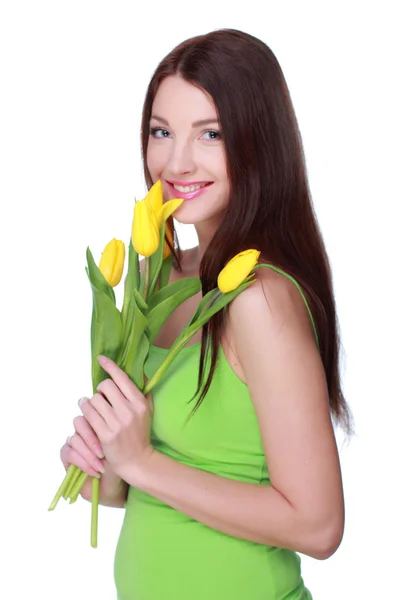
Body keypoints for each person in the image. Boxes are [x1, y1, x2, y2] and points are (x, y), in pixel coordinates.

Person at [60, 28, 353, 600]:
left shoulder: (258, 297)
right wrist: (105, 460)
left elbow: (319, 527)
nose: (176, 160)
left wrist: (141, 462)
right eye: (161, 131)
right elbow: (138, 488)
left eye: (210, 134)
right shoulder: (158, 275)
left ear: (258, 142)